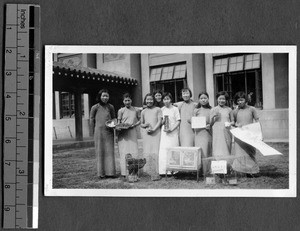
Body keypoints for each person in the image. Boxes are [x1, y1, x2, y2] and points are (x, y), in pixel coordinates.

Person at [231, 91, 260, 176]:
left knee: (250, 152)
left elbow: (257, 121)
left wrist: (259, 134)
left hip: (249, 134)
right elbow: (233, 122)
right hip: (239, 135)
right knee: (240, 153)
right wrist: (233, 124)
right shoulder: (235, 111)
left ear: (245, 100)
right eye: (238, 100)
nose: (240, 102)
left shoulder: (252, 109)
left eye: (242, 100)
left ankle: (252, 171)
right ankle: (241, 171)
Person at [90, 89, 116, 178]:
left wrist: (112, 124)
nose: (105, 98)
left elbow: (114, 118)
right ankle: (101, 173)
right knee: (100, 152)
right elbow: (91, 119)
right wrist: (92, 131)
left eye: (107, 96)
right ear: (100, 97)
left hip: (109, 132)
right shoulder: (95, 107)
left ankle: (111, 173)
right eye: (103, 96)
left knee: (109, 152)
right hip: (99, 133)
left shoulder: (111, 107)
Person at [117, 93, 141, 177]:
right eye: (125, 100)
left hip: (132, 132)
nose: (127, 102)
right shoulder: (121, 111)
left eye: (129, 100)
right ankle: (124, 172)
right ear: (123, 101)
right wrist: (120, 127)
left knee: (134, 151)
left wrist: (134, 125)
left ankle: (134, 171)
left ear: (131, 100)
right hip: (123, 134)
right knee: (124, 152)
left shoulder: (136, 110)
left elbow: (140, 120)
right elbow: (118, 123)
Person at [140, 93, 162, 180]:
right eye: (147, 99)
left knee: (155, 151)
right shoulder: (143, 111)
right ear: (145, 100)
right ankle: (147, 171)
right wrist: (145, 126)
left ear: (154, 100)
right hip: (147, 134)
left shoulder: (158, 109)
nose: (149, 101)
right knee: (147, 150)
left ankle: (156, 171)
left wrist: (154, 129)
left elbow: (159, 121)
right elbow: (141, 123)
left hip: (156, 133)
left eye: (151, 99)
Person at [158, 92, 181, 175]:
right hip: (164, 133)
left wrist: (172, 129)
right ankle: (164, 170)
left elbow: (178, 121)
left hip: (173, 132)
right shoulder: (161, 109)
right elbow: (160, 122)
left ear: (171, 99)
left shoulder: (175, 109)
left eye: (168, 99)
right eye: (164, 99)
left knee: (173, 149)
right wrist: (162, 122)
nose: (166, 101)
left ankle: (174, 170)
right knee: (164, 150)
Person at [210, 91, 234, 160]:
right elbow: (210, 124)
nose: (221, 100)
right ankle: (217, 167)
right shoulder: (213, 109)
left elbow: (233, 121)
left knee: (226, 148)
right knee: (217, 149)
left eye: (223, 99)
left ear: (226, 100)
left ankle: (227, 166)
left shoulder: (229, 109)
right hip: (217, 133)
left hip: (227, 132)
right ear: (217, 99)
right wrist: (213, 117)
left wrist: (230, 123)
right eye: (220, 99)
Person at [193, 92, 212, 176]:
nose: (203, 100)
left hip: (207, 133)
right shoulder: (196, 110)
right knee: (200, 152)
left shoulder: (211, 109)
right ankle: (199, 171)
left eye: (205, 98)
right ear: (199, 100)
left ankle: (207, 170)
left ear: (208, 99)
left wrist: (210, 125)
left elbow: (213, 121)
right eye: (201, 98)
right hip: (198, 134)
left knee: (207, 151)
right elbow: (192, 121)